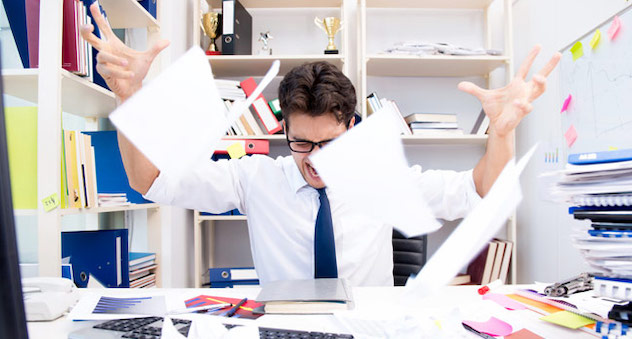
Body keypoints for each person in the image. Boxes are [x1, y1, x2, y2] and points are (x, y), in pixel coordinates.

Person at [81, 4, 561, 286]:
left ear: (351, 126)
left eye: (328, 144)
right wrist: (130, 98)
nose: (314, 161)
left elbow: (480, 191)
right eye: (300, 144)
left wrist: (500, 134)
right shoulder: (255, 178)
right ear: (282, 130)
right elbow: (149, 182)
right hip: (283, 329)